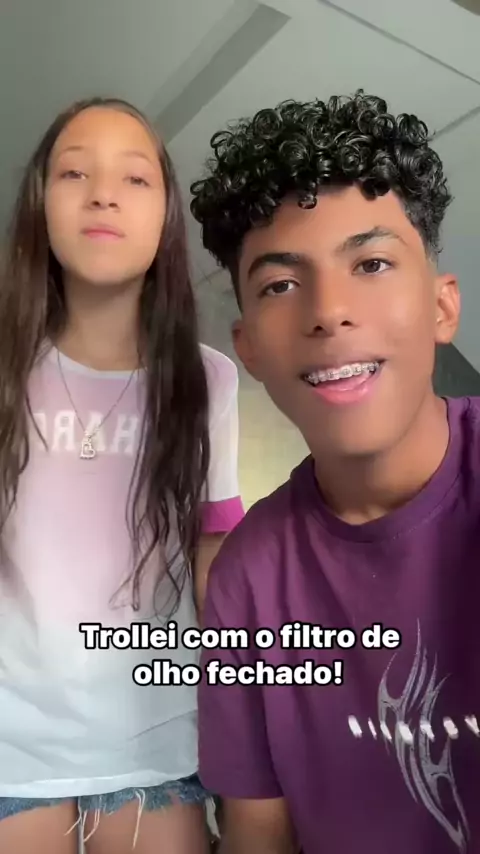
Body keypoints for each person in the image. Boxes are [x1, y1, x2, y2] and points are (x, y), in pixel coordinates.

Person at [189, 91, 480, 854]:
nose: (328, 311)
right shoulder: (248, 578)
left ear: (442, 306)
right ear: (248, 347)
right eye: (281, 285)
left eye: (372, 263)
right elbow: (257, 835)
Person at [0, 97, 243, 854]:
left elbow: (213, 550)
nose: (103, 194)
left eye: (135, 179)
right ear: (40, 202)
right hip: (12, 743)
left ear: (165, 215)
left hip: (155, 739)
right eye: (75, 173)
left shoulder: (208, 379)